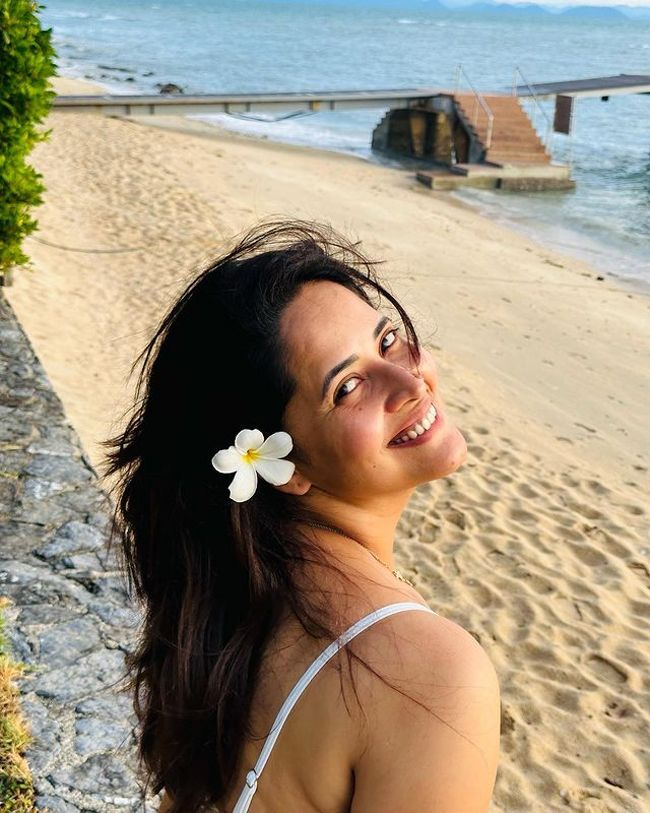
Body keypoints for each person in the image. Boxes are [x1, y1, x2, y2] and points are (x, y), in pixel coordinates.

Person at [102, 219, 500, 813]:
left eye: (387, 340)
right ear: (281, 465)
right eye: (347, 387)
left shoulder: (230, 608)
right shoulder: (430, 676)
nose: (409, 382)